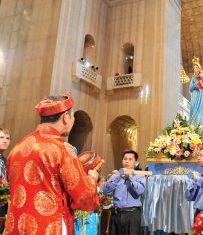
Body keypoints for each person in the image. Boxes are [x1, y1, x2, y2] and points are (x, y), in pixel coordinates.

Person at [5, 93, 100, 234]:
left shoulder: (17, 148)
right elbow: (84, 198)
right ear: (66, 116)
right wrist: (92, 179)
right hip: (49, 226)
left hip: (17, 226)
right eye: (72, 117)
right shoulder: (62, 149)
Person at [103, 150, 146, 235]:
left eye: (130, 159)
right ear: (122, 161)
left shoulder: (140, 176)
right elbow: (106, 191)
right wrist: (117, 176)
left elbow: (139, 190)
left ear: (135, 162)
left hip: (132, 215)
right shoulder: (115, 175)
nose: (127, 161)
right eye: (125, 159)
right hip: (116, 214)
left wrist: (130, 176)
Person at [189, 57, 203, 125]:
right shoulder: (193, 78)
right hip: (195, 95)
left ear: (199, 69)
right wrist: (197, 85)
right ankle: (192, 125)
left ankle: (200, 125)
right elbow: (190, 87)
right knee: (193, 109)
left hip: (201, 95)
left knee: (200, 110)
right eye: (194, 68)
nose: (195, 69)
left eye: (196, 67)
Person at [0, 128, 10, 218]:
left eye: (7, 138)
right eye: (1, 137)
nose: (5, 141)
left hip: (2, 205)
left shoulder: (6, 161)